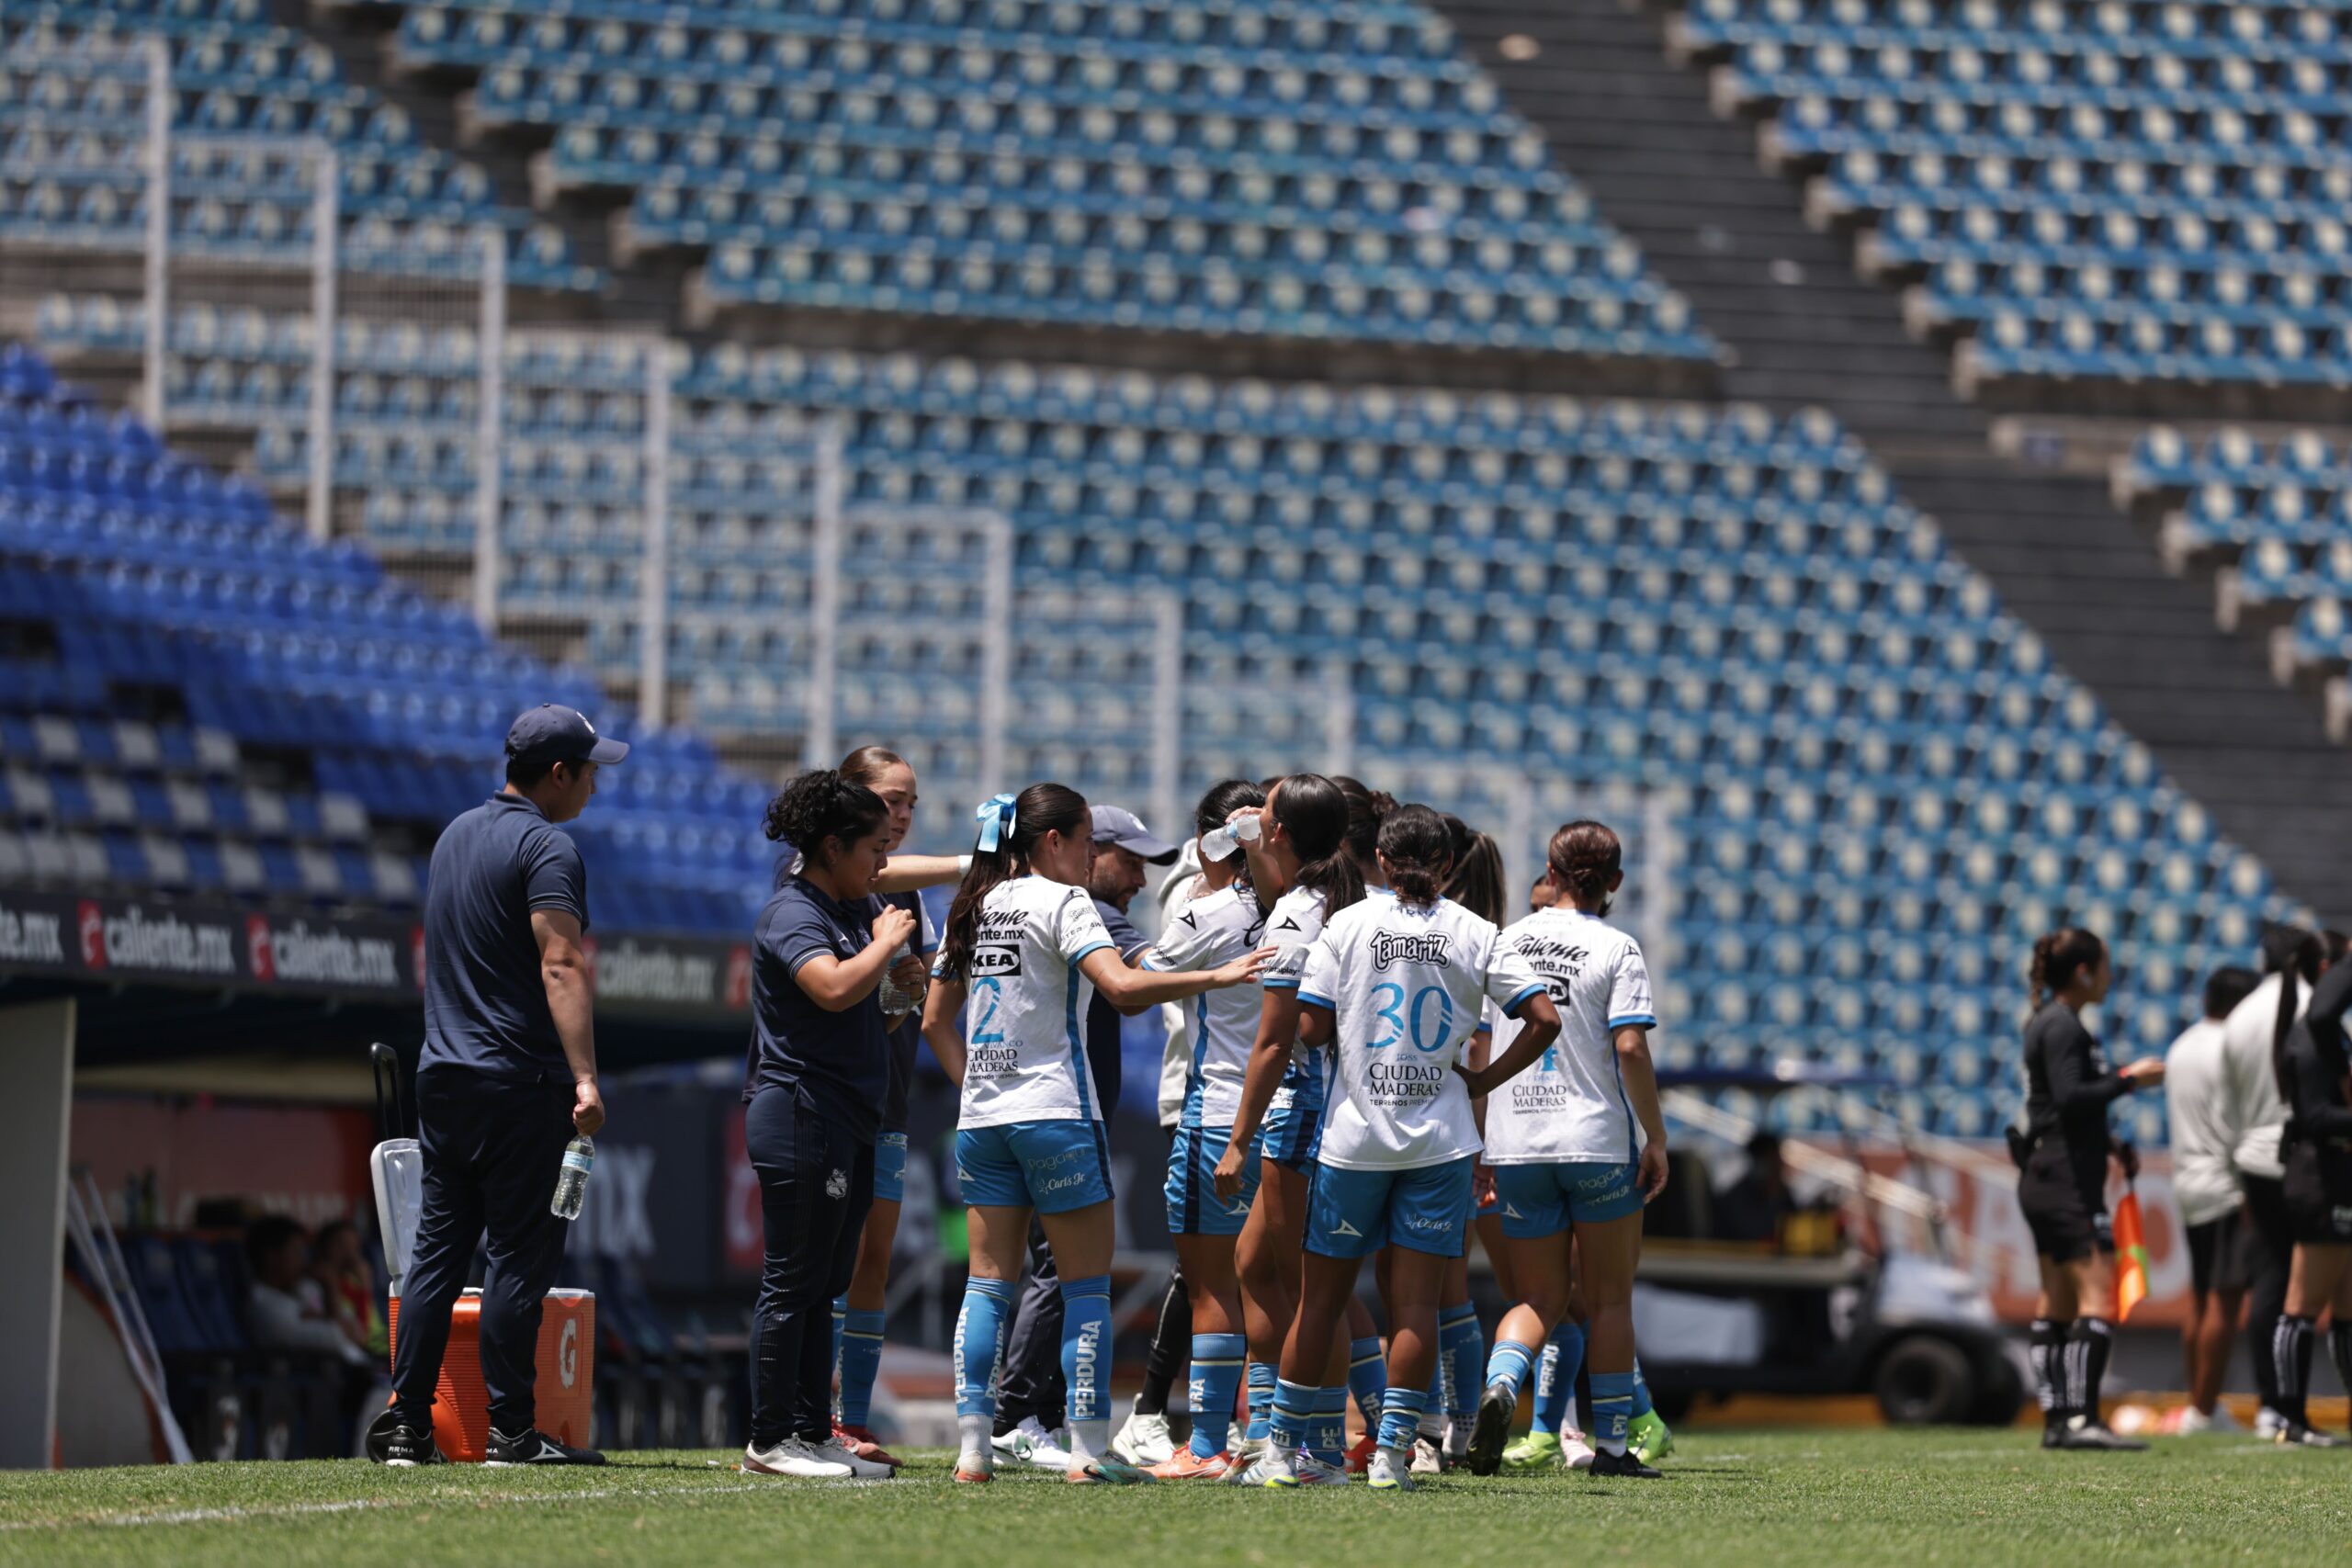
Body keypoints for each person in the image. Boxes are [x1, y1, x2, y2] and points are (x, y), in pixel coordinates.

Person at [922, 784, 1271, 1485]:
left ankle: (972, 1452)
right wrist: (1217, 972)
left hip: (983, 1120)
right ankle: (1086, 1451)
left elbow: (934, 1019)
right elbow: (1120, 988)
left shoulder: (974, 902)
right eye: (1086, 842)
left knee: (986, 1286)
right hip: (1057, 1110)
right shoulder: (1066, 900)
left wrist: (980, 1093)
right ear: (1053, 841)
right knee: (1085, 1288)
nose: (1091, 858)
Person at [1260, 803, 1561, 1492]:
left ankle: (1279, 1452)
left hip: (1355, 1139)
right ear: (1448, 866)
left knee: (1320, 1301)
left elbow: (1306, 1029)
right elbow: (1543, 1019)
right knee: (1417, 1306)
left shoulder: (1347, 923)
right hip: (1441, 1142)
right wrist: (1484, 1076)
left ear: (1383, 862)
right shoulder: (1479, 931)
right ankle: (1395, 1456)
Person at [375, 704, 625, 1468]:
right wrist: (584, 1076)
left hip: (444, 1075)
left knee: (436, 1256)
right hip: (520, 1079)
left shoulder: (454, 835)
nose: (592, 786)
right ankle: (513, 1431)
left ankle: (407, 1423)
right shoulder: (549, 847)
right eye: (587, 772)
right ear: (557, 774)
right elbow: (559, 963)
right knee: (517, 1258)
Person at [1465, 819, 1669, 1481]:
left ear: (1549, 873)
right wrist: (1656, 1137)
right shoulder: (1619, 947)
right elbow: (1631, 1047)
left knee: (1538, 1298)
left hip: (1517, 1141)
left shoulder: (1505, 940)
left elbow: (1480, 1044)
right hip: (1596, 1142)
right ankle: (1611, 1448)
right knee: (1609, 1300)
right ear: (1614, 881)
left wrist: (1481, 1140)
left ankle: (1501, 1385)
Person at [740, 768, 926, 1480]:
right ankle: (769, 1437)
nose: (882, 864)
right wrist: (883, 948)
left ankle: (814, 1431)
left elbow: (857, 1015)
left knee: (826, 1283)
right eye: (873, 849)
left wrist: (899, 996)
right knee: (792, 1280)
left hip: (844, 1112)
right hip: (799, 1111)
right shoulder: (796, 911)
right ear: (830, 845)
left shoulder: (850, 910)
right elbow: (828, 984)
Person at [989, 803, 1176, 1470]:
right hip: (1059, 1110)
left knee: (1011, 1274)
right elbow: (1141, 979)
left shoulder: (998, 903)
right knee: (1061, 1268)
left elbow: (937, 1015)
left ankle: (1010, 1422)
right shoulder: (1087, 913)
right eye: (1131, 861)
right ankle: (1019, 1417)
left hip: (1001, 1109)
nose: (1140, 881)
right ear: (1083, 849)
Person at [1214, 773, 1381, 1485]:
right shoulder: (1356, 902)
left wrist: (1237, 1139)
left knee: (1316, 1290)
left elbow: (1276, 1042)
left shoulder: (1295, 916)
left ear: (1278, 833)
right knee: (1256, 1265)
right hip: (1349, 1109)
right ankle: (1346, 1429)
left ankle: (1315, 1446)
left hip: (1304, 1116)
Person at [1121, 780, 1270, 1478]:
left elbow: (1140, 978)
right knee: (1289, 1284)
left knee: (1211, 1283)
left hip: (1217, 1110)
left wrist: (1214, 885)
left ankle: (1208, 1443)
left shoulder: (1206, 908)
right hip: (1300, 1115)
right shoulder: (1322, 910)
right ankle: (1292, 1437)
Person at [826, 746, 945, 1470]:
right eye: (889, 801)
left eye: (910, 804)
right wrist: (972, 864)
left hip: (890, 1097)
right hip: (833, 1099)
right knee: (820, 1264)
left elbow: (906, 1005)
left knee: (873, 1256)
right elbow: (881, 871)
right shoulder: (840, 878)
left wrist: (910, 985)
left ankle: (855, 1417)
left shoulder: (913, 897)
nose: (900, 815)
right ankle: (804, 1413)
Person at [2011, 927, 2165, 1451]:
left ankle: (2058, 1421)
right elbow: (2074, 1096)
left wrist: (2110, 1142)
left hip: (2048, 1172)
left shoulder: (2050, 1023)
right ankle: (2082, 1421)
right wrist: (2130, 1078)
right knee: (2096, 1297)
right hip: (2065, 1181)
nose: (2109, 976)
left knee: (2055, 1299)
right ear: (2083, 973)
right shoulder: (2063, 1028)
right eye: (2103, 966)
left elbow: (2060, 1106)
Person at [1107, 830, 1207, 1467]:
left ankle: (1168, 1414)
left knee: (1228, 1265)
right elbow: (1143, 981)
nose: (1144, 878)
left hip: (1213, 1096)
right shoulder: (1204, 895)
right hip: (1199, 1097)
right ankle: (1153, 1411)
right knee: (1205, 1264)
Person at [2218, 924, 2323, 1435]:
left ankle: (2269, 1404)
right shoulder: (2314, 1004)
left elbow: (2229, 1104)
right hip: (2305, 1159)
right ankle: (2292, 1404)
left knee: (2270, 1280)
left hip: (2253, 1159)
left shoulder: (2238, 1016)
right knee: (2305, 1288)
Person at [2163, 964, 2261, 1434]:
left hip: (2187, 1181)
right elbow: (2235, 1125)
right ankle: (2202, 1411)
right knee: (2225, 1301)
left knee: (2200, 1297)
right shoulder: (2230, 1048)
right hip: (2224, 1184)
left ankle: (2199, 1403)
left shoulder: (2181, 1045)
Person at [2267, 938, 2352, 1445]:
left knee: (2346, 1304)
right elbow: (2315, 1118)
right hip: (2317, 1177)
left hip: (2337, 1173)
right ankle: (2289, 1418)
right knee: (2302, 1303)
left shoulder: (2330, 1036)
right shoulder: (2310, 1036)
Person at [311, 1218, 388, 1359]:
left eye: (353, 1246)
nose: (349, 1253)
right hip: (363, 1354)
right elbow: (361, 1337)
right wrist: (365, 1289)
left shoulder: (353, 1281)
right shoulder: (318, 1284)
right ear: (323, 1247)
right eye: (341, 1245)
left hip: (382, 1348)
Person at [1714, 1133, 1798, 1245]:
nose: (1780, 1165)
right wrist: (1774, 1197)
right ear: (1760, 1164)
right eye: (1774, 1160)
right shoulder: (1736, 1199)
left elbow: (1796, 1224)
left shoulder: (1783, 1194)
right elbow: (1753, 1236)